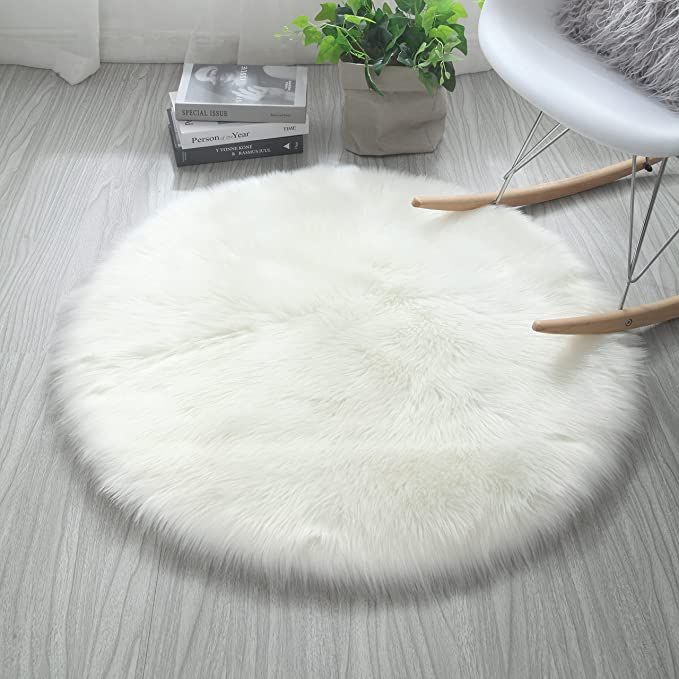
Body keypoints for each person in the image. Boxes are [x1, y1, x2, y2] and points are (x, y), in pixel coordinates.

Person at [188, 65, 297, 105]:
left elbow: (305, 82)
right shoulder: (244, 98)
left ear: (214, 65)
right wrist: (279, 96)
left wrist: (282, 95)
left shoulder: (266, 69)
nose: (213, 80)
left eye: (209, 73)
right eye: (209, 83)